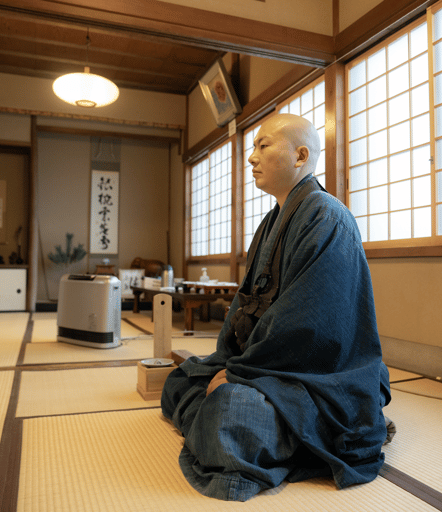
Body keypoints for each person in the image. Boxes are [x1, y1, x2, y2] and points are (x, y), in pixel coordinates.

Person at [161, 113, 392, 501]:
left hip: (316, 375)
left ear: (300, 156)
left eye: (262, 146)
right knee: (180, 380)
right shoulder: (270, 223)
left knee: (233, 412)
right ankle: (279, 431)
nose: (251, 157)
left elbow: (311, 322)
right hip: (268, 365)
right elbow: (244, 305)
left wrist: (238, 375)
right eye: (253, 147)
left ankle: (287, 430)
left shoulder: (328, 217)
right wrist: (227, 364)